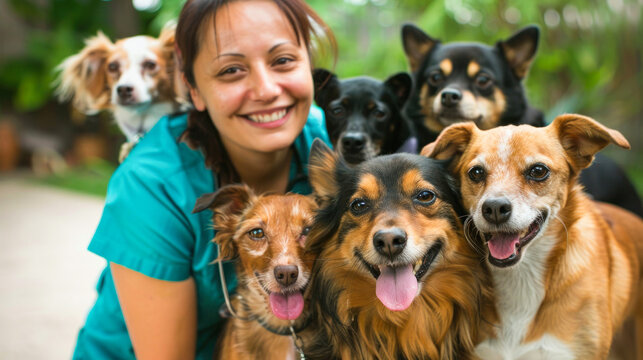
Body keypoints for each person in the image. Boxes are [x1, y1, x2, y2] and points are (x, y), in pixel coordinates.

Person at [72, 0, 335, 359]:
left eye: (283, 60)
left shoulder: (327, 141)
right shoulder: (152, 184)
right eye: (231, 70)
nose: (266, 89)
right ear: (192, 88)